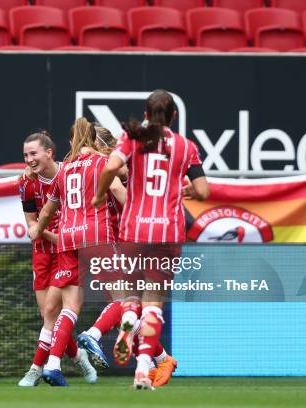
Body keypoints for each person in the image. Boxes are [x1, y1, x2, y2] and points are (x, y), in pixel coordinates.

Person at [91, 90, 209, 390]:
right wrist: (187, 191)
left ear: (145, 113)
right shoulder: (186, 147)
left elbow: (109, 168)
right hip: (168, 231)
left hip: (134, 228)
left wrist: (98, 194)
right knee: (154, 303)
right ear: (174, 116)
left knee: (130, 297)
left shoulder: (132, 139)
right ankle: (143, 369)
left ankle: (128, 326)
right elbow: (204, 191)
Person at [28, 117, 126, 386]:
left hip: (68, 239)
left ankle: (53, 365)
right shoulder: (101, 162)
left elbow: (48, 210)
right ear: (95, 139)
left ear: (73, 140)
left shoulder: (65, 168)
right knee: (124, 298)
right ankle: (93, 334)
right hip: (97, 236)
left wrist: (37, 230)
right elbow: (118, 191)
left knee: (69, 307)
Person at [17, 131, 96, 386]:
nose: (29, 159)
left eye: (33, 153)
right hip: (43, 253)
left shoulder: (71, 172)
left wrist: (53, 235)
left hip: (69, 252)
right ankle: (77, 356)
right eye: (26, 155)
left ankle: (37, 368)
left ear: (49, 153)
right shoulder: (27, 183)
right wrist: (39, 231)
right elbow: (31, 224)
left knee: (54, 312)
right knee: (49, 317)